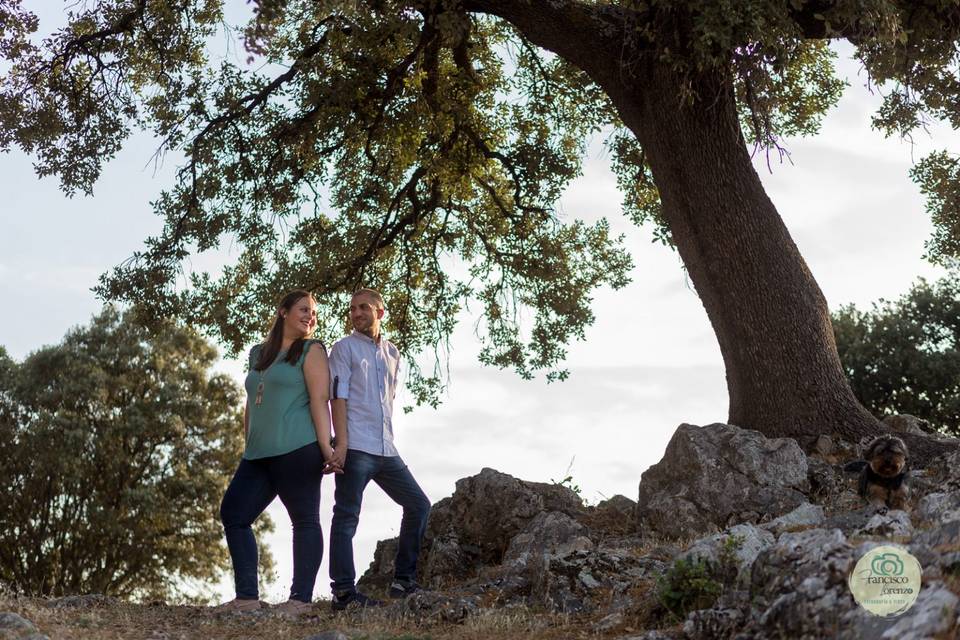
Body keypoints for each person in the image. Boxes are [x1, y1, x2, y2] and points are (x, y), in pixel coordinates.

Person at [217, 290, 338, 615]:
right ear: (283, 312)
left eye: (313, 312)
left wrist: (327, 447)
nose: (310, 316)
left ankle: (300, 601)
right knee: (234, 514)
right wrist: (247, 443)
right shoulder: (259, 353)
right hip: (258, 454)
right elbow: (250, 403)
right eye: (303, 309)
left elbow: (318, 401)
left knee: (304, 520)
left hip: (298, 449)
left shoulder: (311, 350)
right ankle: (247, 599)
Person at [327, 288, 432, 610]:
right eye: (352, 309)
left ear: (379, 312)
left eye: (363, 308)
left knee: (419, 505)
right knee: (346, 517)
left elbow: (389, 400)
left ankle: (403, 581)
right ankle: (344, 593)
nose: (356, 313)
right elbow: (337, 397)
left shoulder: (393, 353)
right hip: (356, 446)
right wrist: (341, 443)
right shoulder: (343, 349)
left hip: (387, 449)